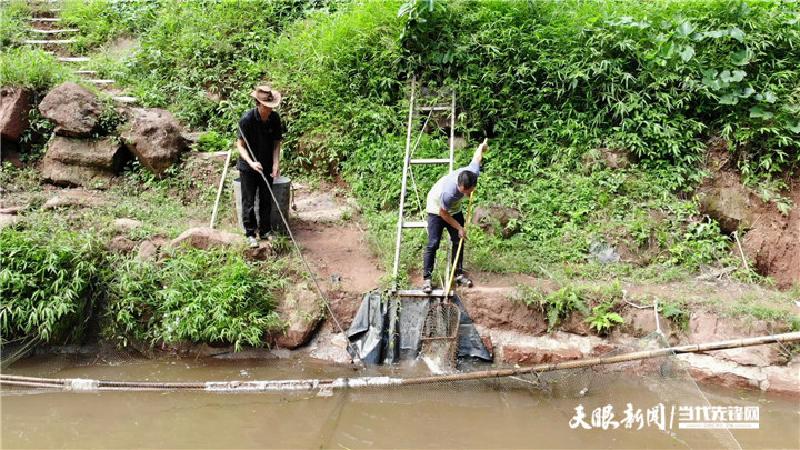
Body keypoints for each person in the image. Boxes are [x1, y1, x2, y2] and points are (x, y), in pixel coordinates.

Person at [422, 138, 488, 293]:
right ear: (459, 186)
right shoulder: (449, 193)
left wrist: (482, 146)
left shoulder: (472, 174)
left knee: (459, 240)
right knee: (433, 243)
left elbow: (476, 157)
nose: (467, 193)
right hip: (437, 208)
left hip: (454, 209)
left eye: (469, 191)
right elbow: (443, 214)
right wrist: (459, 227)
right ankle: (427, 279)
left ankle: (458, 274)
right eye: (464, 191)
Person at [236, 85, 284, 248]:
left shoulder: (274, 119)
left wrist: (276, 163)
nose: (269, 110)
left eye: (271, 107)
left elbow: (277, 143)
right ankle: (250, 233)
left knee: (266, 198)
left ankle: (265, 230)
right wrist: (251, 163)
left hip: (267, 164)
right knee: (248, 200)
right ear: (258, 103)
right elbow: (240, 146)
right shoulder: (247, 119)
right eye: (266, 107)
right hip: (248, 166)